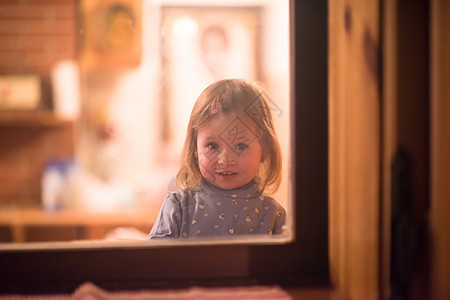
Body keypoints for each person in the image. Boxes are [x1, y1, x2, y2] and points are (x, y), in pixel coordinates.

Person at [148, 79, 285, 239]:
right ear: (195, 149)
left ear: (265, 151)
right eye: (212, 146)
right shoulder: (178, 207)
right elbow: (154, 261)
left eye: (240, 146)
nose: (225, 160)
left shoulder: (273, 215)